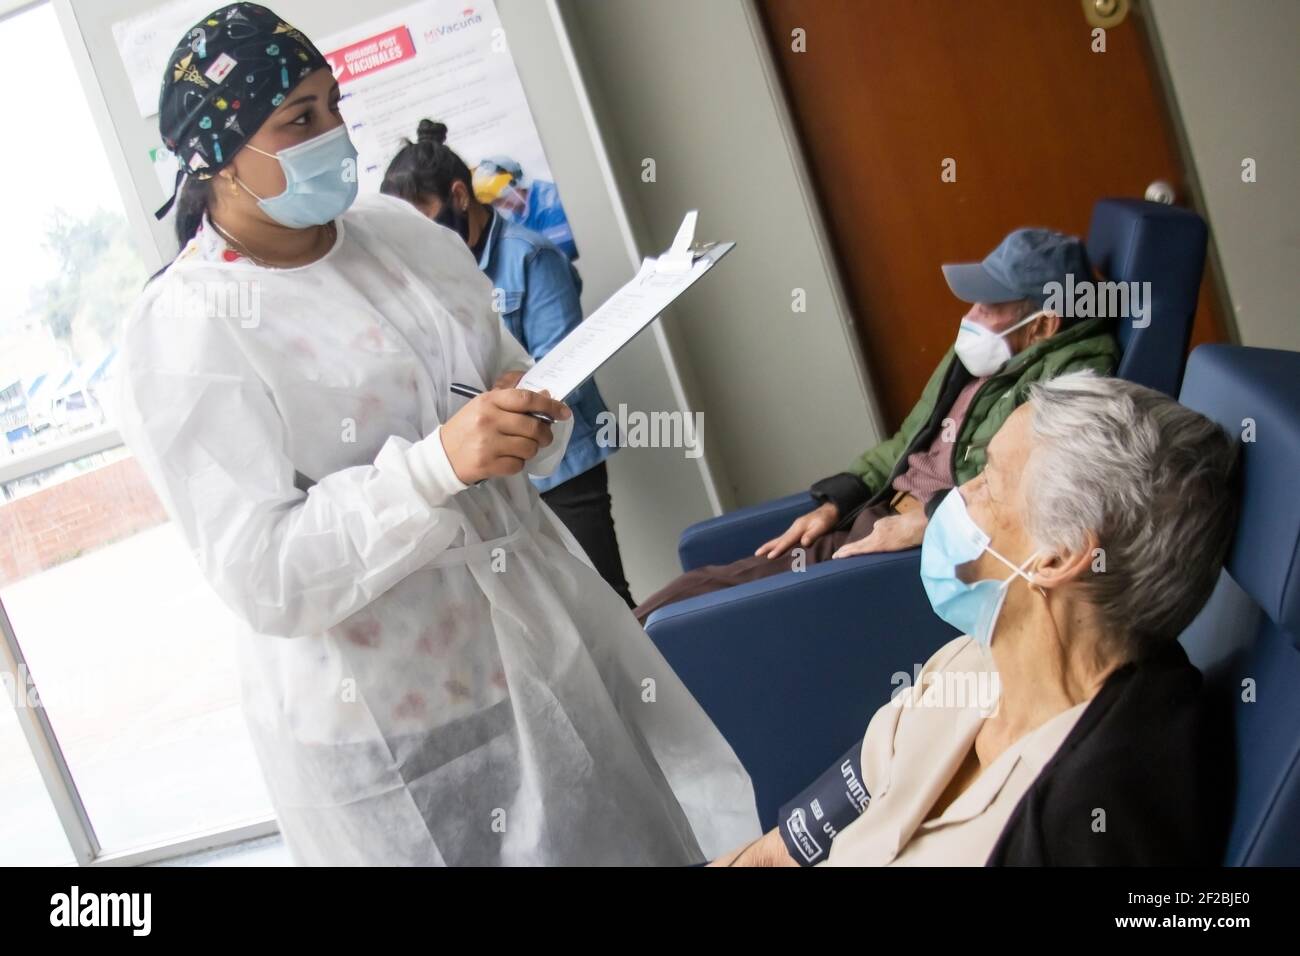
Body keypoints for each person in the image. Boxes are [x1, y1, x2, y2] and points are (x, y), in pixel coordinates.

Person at [117, 3, 758, 866]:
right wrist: (429, 471)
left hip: (534, 642)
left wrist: (518, 410)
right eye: (298, 119)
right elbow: (265, 574)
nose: (333, 135)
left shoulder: (400, 236)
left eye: (333, 106)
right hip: (393, 721)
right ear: (219, 159)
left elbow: (492, 364)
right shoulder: (189, 329)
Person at [713, 372, 1238, 866]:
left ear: (1058, 556)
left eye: (987, 482)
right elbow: (783, 850)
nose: (951, 500)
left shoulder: (1098, 809)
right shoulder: (972, 661)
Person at [634, 228, 1120, 623]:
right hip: (878, 517)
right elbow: (904, 445)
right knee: (688, 592)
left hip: (918, 547)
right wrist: (837, 501)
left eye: (989, 308)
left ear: (1045, 324)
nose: (969, 318)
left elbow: (1020, 496)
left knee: (689, 618)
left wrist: (924, 524)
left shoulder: (1072, 385)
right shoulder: (980, 361)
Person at [380, 120, 634, 608]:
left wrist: (515, 384)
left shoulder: (531, 256)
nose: (413, 236)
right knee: (550, 610)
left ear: (459, 195)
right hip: (490, 475)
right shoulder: (432, 275)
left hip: (562, 464)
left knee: (606, 596)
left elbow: (567, 369)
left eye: (422, 215)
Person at [473, 154, 579, 260]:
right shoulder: (516, 215)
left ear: (516, 182)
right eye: (497, 202)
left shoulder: (552, 208)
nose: (503, 204)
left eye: (504, 196)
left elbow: (560, 257)